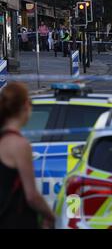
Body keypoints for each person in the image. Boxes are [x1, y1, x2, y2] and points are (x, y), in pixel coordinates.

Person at [0, 83, 56, 229]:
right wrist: (51, 216)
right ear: (25, 105)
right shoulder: (19, 145)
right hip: (14, 220)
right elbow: (32, 196)